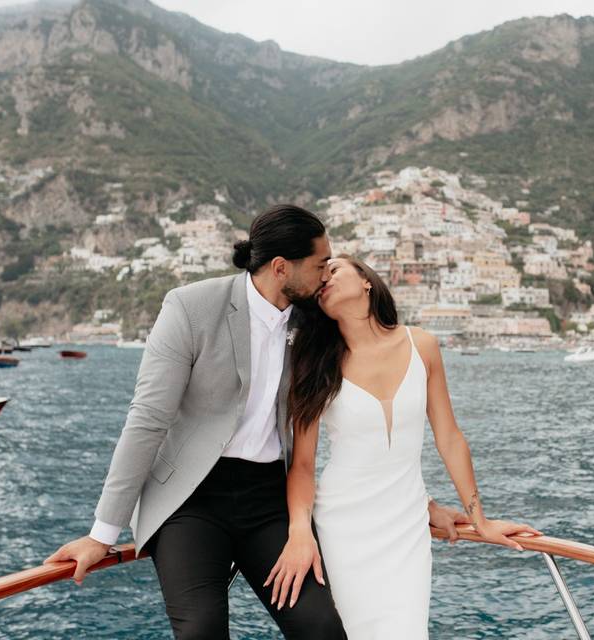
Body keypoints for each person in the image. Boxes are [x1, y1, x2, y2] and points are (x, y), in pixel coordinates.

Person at [45, 206, 468, 639]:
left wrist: (416, 504)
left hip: (268, 500)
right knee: (202, 632)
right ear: (282, 268)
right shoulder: (190, 307)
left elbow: (373, 399)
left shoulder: (314, 323)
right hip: (189, 502)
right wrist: (102, 533)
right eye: (322, 264)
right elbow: (147, 421)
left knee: (321, 627)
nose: (327, 275)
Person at [266, 255, 540, 639]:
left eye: (335, 269)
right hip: (343, 527)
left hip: (406, 528)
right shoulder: (316, 364)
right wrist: (300, 532)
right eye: (320, 280)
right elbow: (303, 466)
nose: (324, 279)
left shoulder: (422, 345)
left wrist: (479, 518)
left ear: (366, 281)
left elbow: (450, 438)